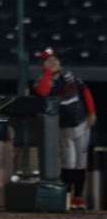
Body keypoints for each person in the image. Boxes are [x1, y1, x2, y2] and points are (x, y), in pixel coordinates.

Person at [34, 48, 97, 210]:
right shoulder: (42, 80)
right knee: (69, 162)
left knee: (81, 163)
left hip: (81, 123)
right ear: (43, 65)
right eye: (49, 60)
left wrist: (91, 112)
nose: (53, 62)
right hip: (64, 128)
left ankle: (78, 198)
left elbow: (85, 92)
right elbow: (43, 91)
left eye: (55, 59)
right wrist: (49, 73)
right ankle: (66, 196)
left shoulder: (69, 75)